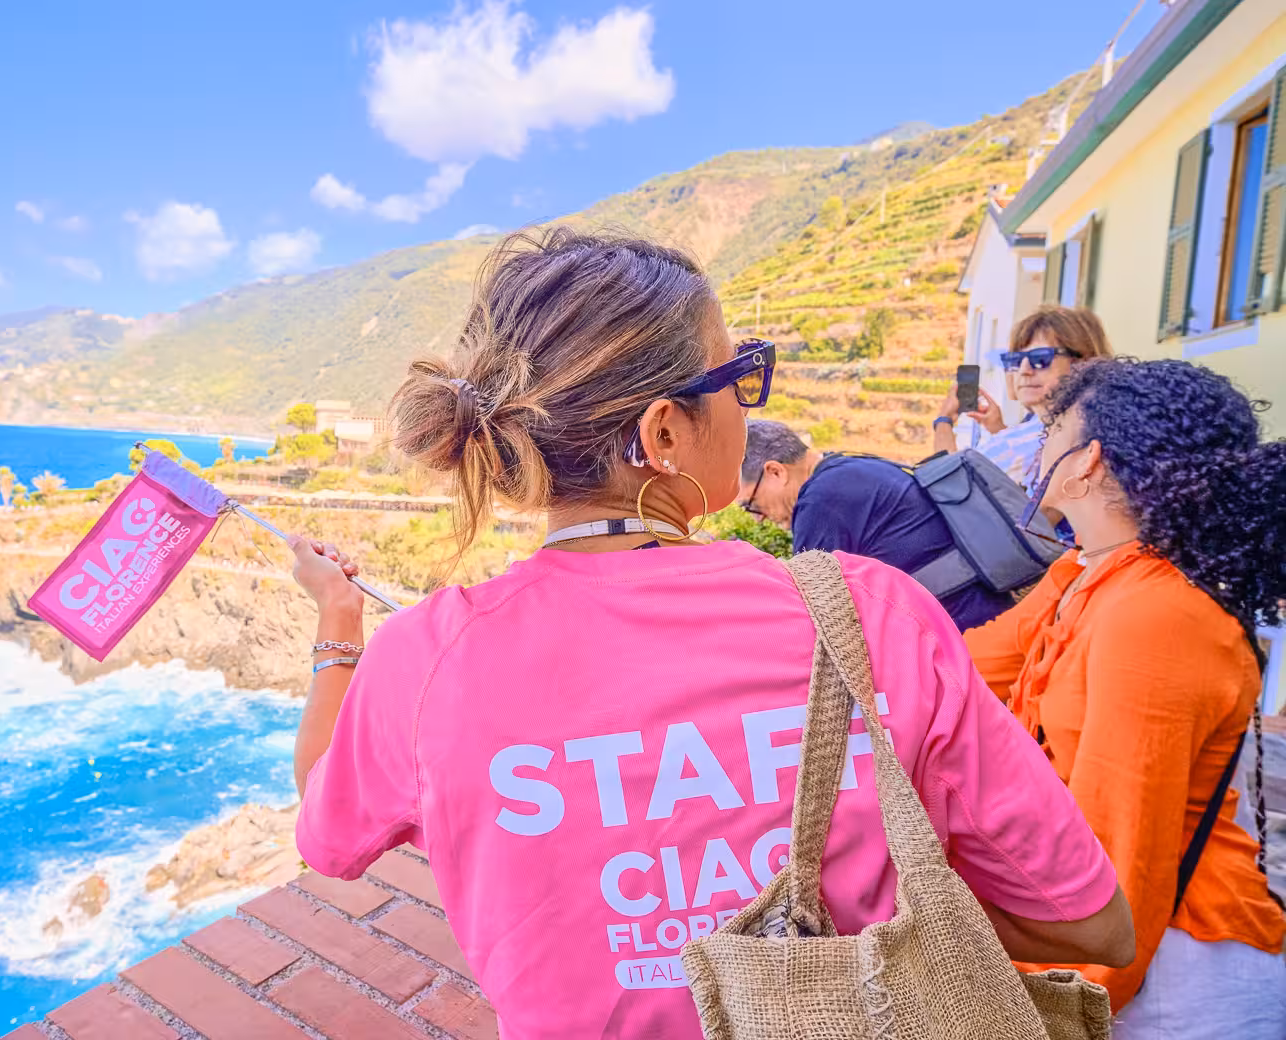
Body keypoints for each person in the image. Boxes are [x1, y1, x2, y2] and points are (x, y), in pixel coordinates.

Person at [286, 228, 1132, 1040]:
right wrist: (869, 906)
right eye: (739, 377)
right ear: (663, 433)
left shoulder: (426, 661)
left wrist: (339, 618)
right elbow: (1094, 926)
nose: (747, 404)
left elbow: (328, 836)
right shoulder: (869, 615)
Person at [963, 357, 1286, 1036]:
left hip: (1175, 983)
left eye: (1052, 428)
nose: (1036, 443)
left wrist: (1052, 1007)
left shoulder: (1153, 615)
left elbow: (1121, 857)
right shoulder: (1089, 577)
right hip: (1129, 963)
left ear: (1086, 462)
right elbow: (960, 679)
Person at [736, 419, 1015, 630]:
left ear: (775, 472)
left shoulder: (821, 500)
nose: (757, 517)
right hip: (986, 612)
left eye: (752, 504)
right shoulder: (847, 465)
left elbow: (812, 614)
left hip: (963, 635)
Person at [933, 305, 1113, 489]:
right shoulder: (1092, 422)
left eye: (1040, 359)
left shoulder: (1046, 435)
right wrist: (998, 429)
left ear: (1082, 363)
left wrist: (944, 420)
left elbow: (948, 485)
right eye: (1016, 360)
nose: (1024, 370)